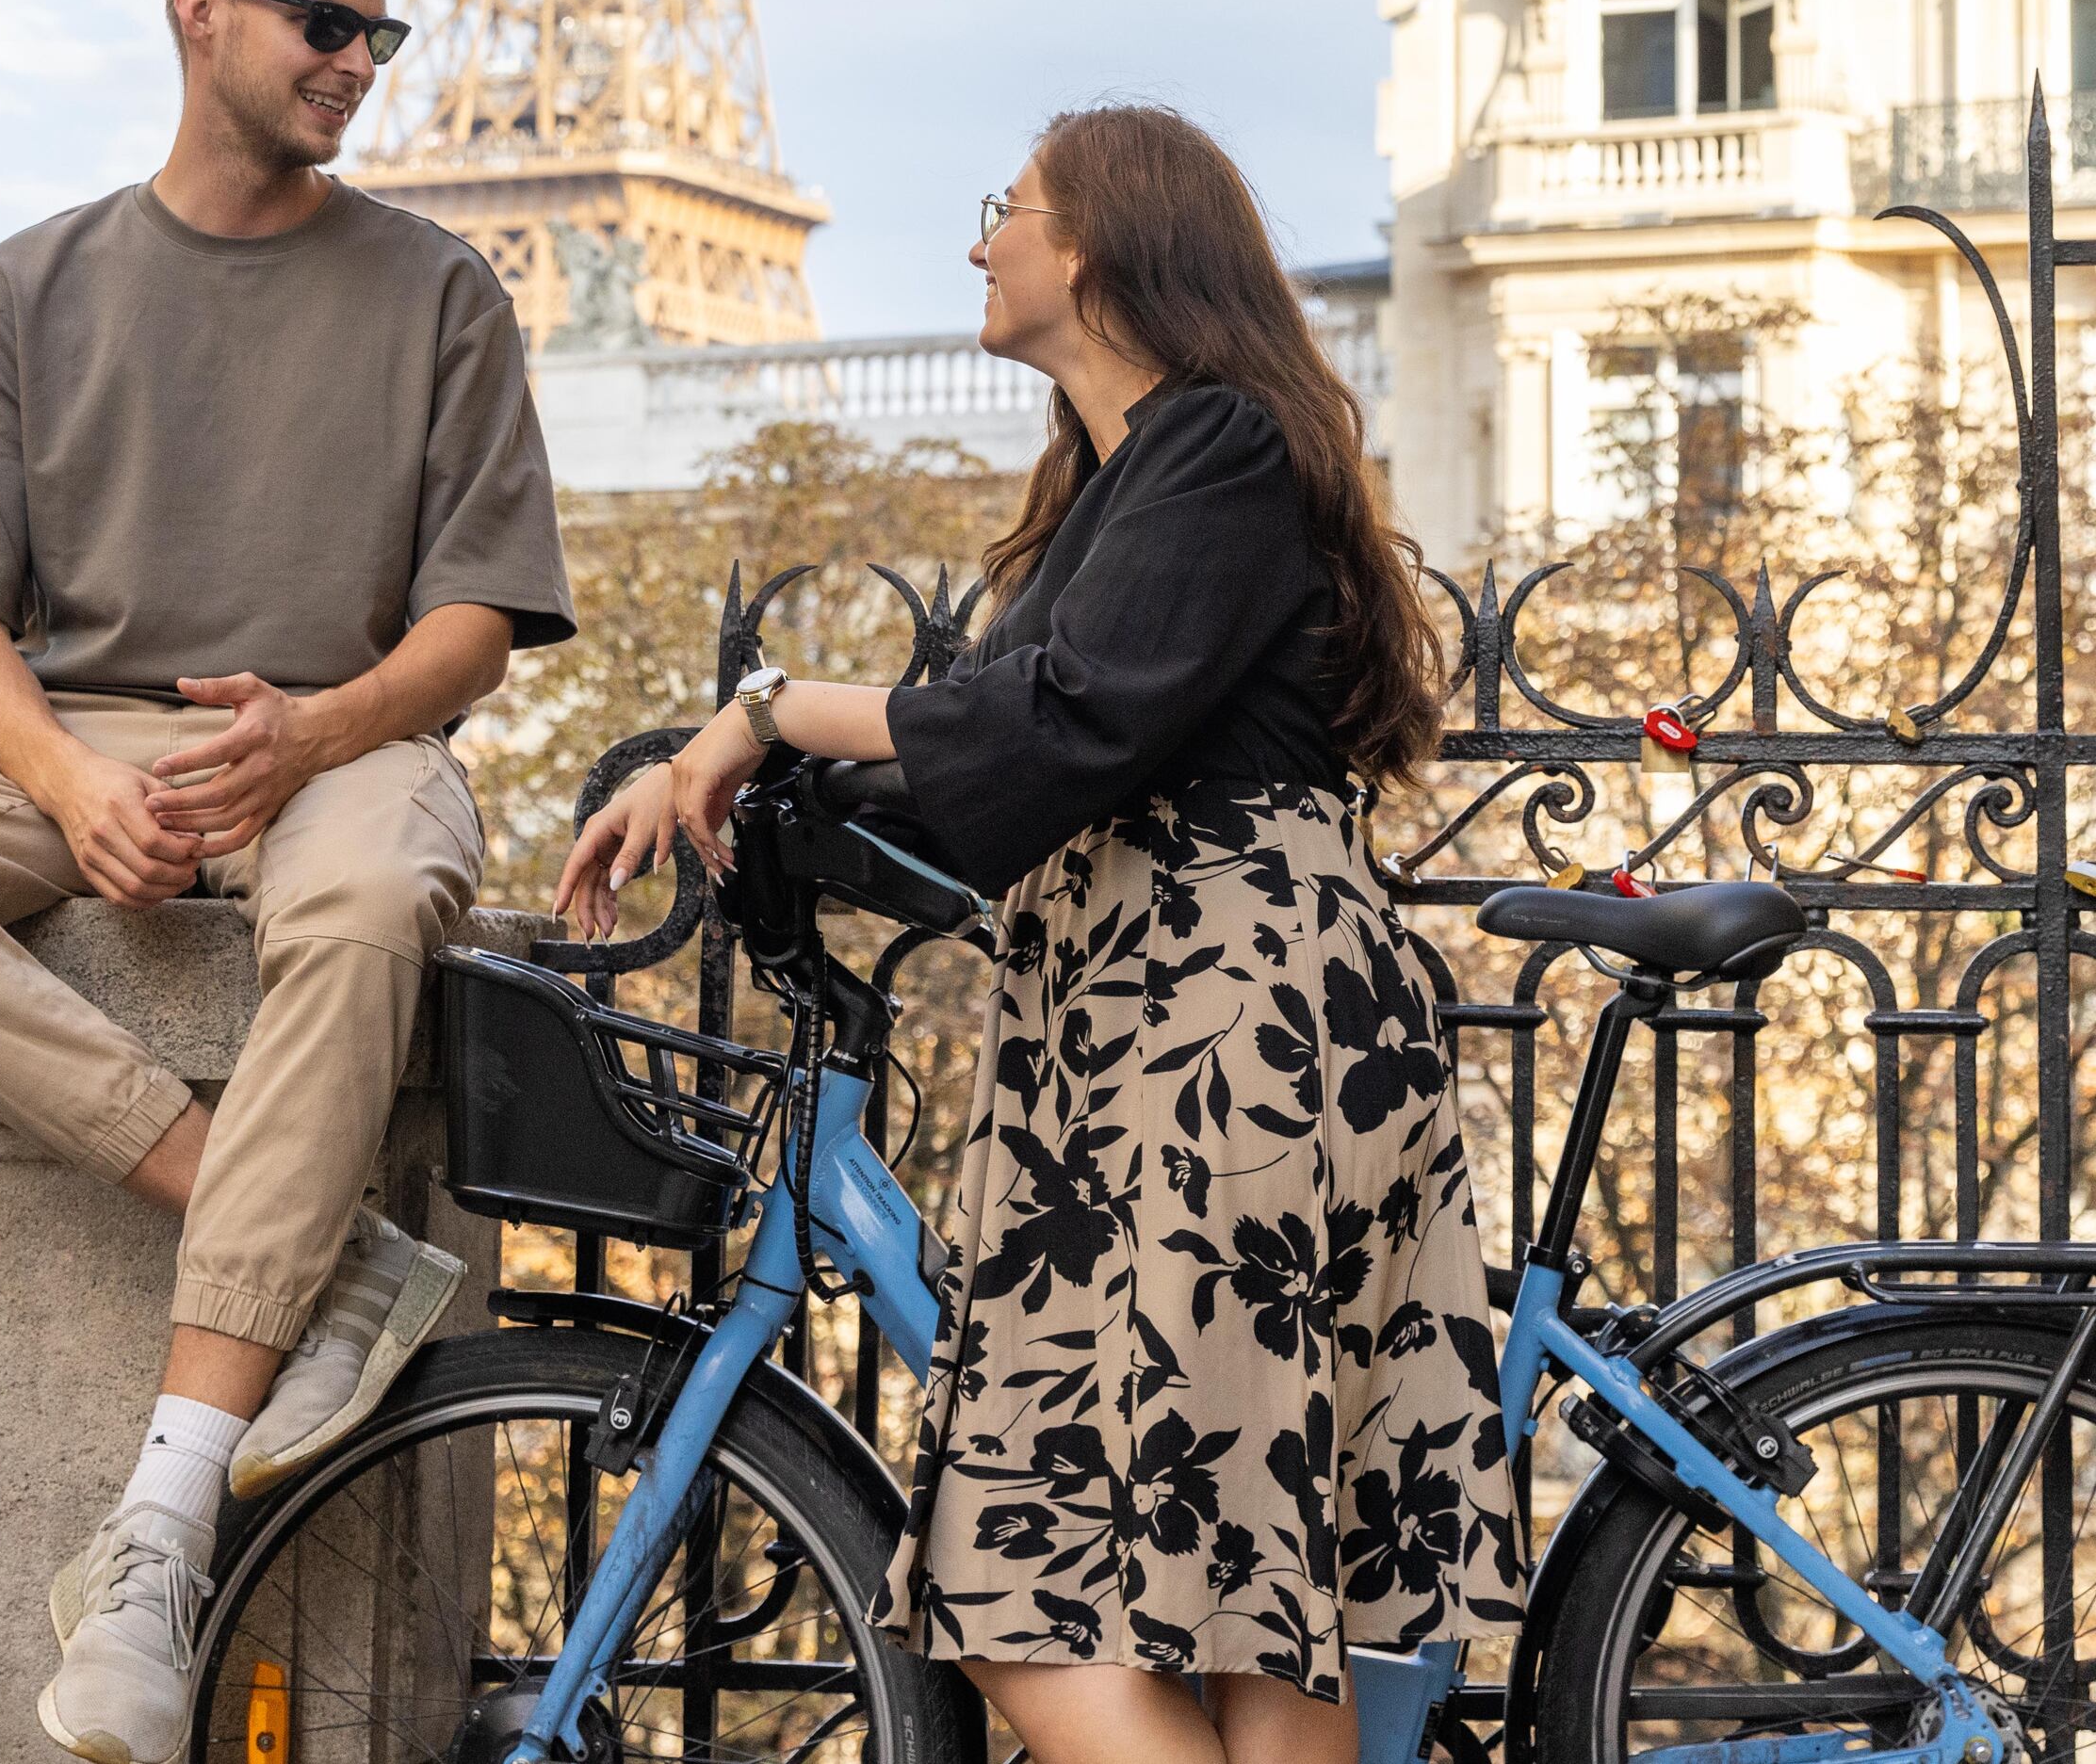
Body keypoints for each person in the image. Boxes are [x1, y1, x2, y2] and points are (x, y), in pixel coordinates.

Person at [557, 102, 1519, 1764]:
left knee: (1065, 1596)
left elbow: (1059, 721)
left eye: (1008, 207)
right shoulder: (1132, 479)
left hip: (1232, 1033)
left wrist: (767, 706)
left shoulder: (1215, 445)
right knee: (1237, 1591)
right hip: (1176, 1028)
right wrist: (713, 778)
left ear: (1097, 246)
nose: (980, 239)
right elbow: (1003, 764)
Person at [0, 0, 574, 1764]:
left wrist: (321, 732)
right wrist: (63, 780)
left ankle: (160, 1527)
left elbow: (471, 632)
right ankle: (303, 1238)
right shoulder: (27, 289)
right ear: (195, 12)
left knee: (369, 899)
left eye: (381, 34)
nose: (357, 63)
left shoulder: (443, 293)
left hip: (341, 728)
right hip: (91, 721)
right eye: (322, 24)